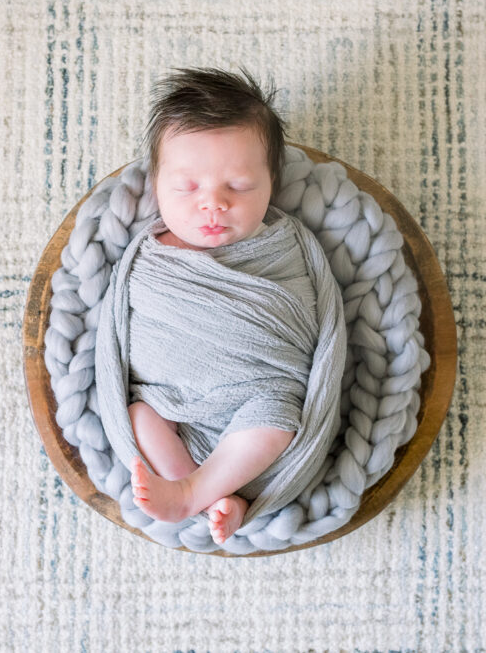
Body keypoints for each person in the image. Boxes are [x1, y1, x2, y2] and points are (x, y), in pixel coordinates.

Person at [101, 67, 343, 545]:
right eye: (188, 188)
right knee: (139, 415)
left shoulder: (284, 247)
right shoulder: (149, 257)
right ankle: (207, 491)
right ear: (156, 184)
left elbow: (310, 326)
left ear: (272, 181)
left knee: (278, 419)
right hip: (172, 407)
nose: (213, 204)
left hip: (259, 401)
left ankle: (196, 492)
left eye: (238, 186)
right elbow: (120, 335)